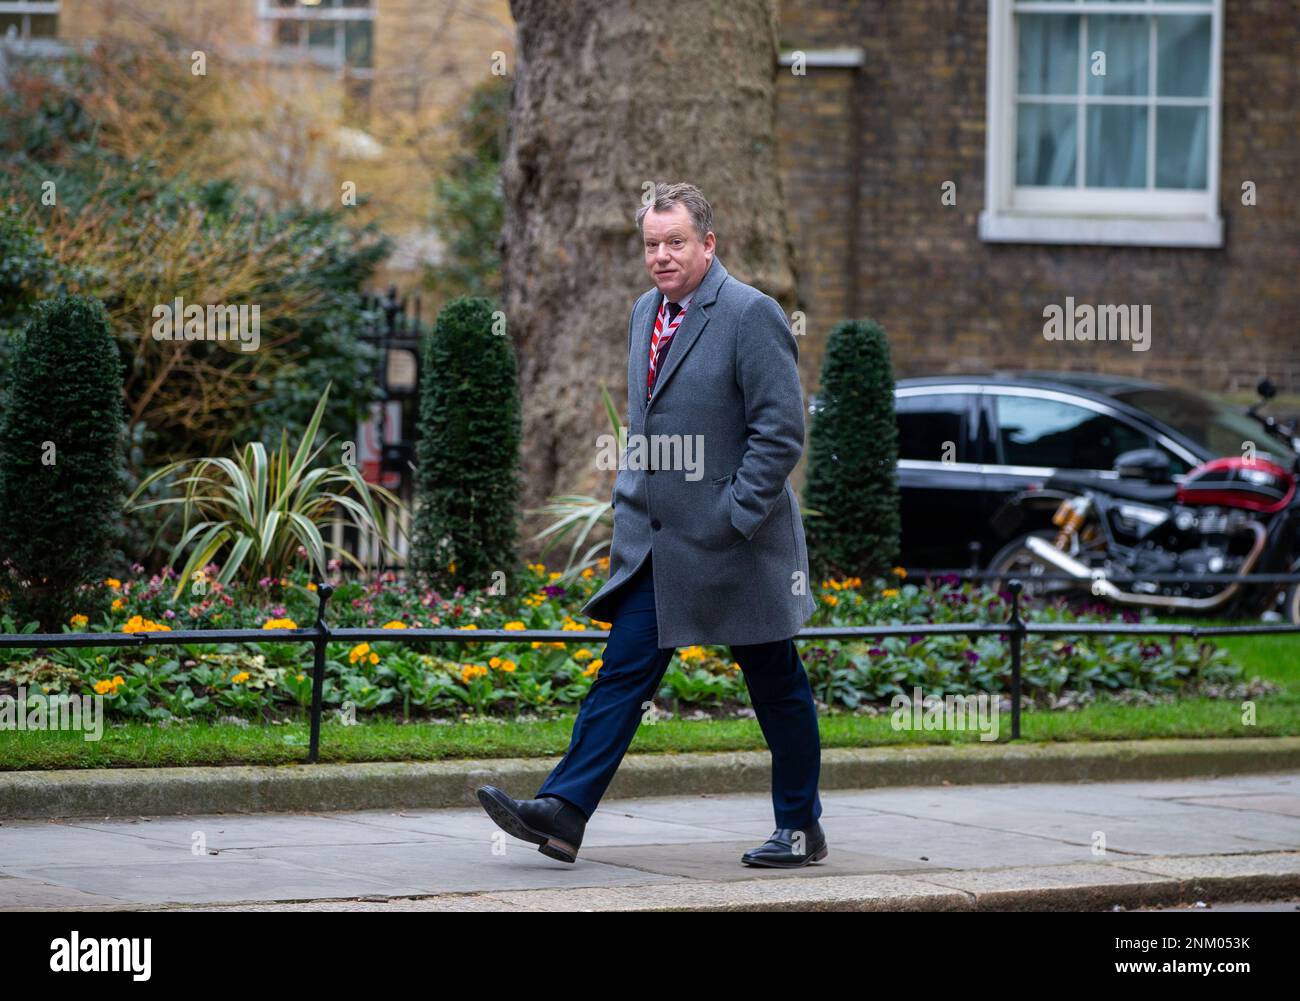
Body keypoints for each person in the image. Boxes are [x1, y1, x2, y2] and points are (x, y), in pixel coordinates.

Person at [477, 181, 824, 868]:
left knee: (775, 682)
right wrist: (629, 502)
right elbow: (648, 421)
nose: (662, 256)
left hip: (739, 545)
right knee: (622, 673)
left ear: (708, 244)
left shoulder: (751, 314)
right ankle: (564, 812)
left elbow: (781, 431)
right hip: (660, 545)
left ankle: (799, 827)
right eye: (652, 244)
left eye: (676, 242)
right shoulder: (645, 311)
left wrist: (736, 513)